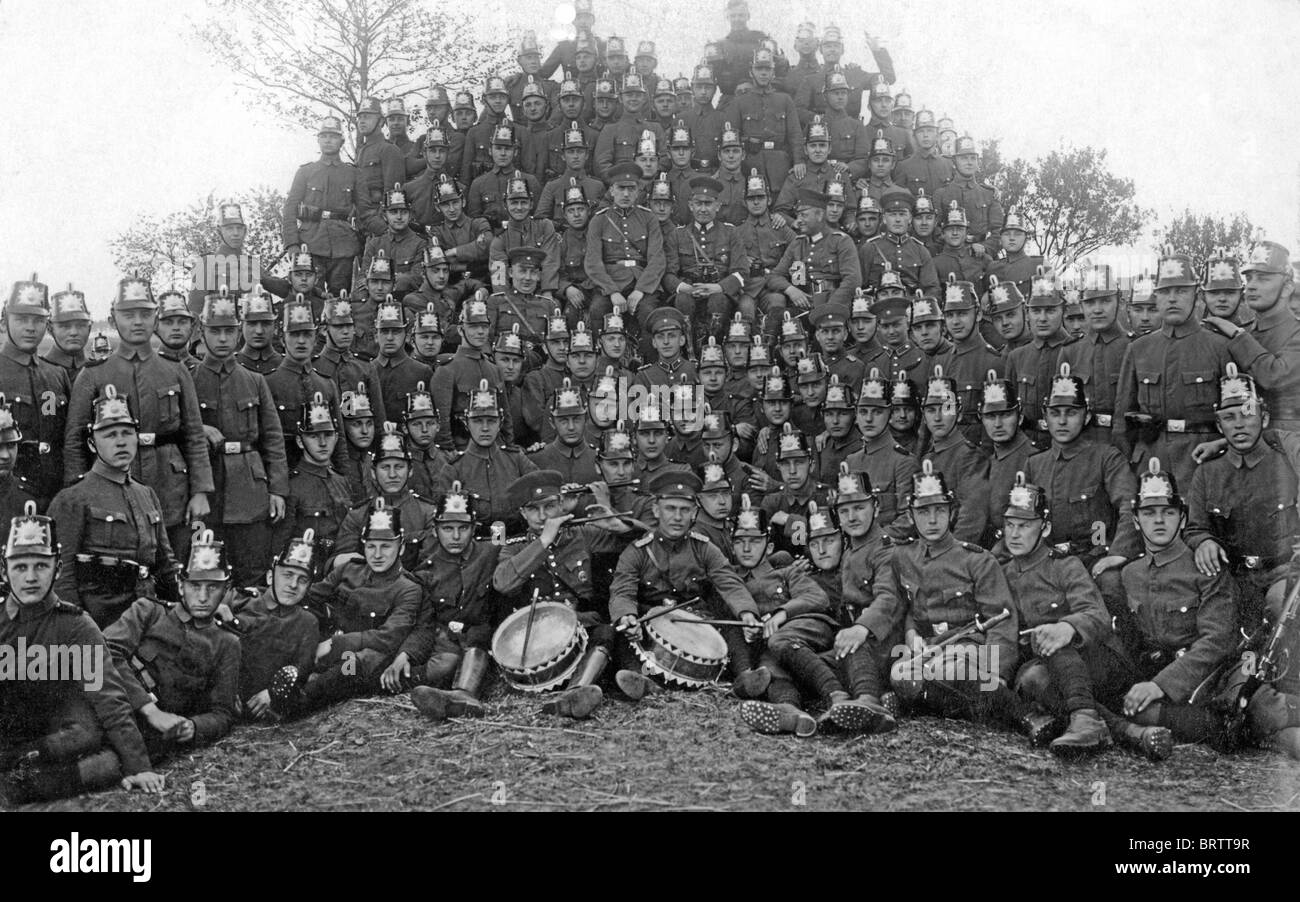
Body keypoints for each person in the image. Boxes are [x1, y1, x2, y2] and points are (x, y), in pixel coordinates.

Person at [0, 502, 164, 803]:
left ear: (58, 569)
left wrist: (139, 766)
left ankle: (19, 782)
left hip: (57, 729)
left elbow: (108, 698)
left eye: (41, 566)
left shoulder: (76, 625)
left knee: (102, 757)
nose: (31, 577)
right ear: (4, 570)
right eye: (20, 567)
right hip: (9, 722)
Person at [64, 277, 213, 560]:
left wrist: (200, 490)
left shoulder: (175, 370)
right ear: (113, 319)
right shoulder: (94, 374)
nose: (137, 322)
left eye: (145, 314)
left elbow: (194, 434)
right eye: (128, 315)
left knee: (173, 562)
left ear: (155, 318)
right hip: (111, 485)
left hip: (170, 486)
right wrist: (77, 491)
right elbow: (75, 440)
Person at [1106, 459, 1237, 751]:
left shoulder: (1205, 567)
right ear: (1136, 521)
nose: (1159, 521)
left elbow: (1217, 641)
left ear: (1183, 517)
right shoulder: (1130, 573)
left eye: (1168, 512)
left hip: (1198, 684)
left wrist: (1160, 685)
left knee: (1140, 711)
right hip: (1148, 674)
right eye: (1149, 513)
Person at [1000, 474, 1131, 756]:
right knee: (1032, 678)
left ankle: (1086, 719)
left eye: (1025, 526)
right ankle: (1122, 730)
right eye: (1010, 525)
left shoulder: (1065, 566)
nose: (1014, 534)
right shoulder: (1003, 573)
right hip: (1051, 670)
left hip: (1097, 661)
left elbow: (1098, 615)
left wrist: (1067, 628)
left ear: (1045, 528)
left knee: (1051, 639)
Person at [491, 470, 639, 718]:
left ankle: (575, 694)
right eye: (533, 509)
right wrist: (543, 541)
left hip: (580, 627)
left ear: (561, 505)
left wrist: (615, 523)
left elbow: (645, 543)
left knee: (606, 632)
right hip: (536, 638)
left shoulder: (581, 535)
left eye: (549, 506)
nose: (542, 516)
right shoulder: (514, 546)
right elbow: (502, 583)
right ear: (523, 513)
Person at [607, 469, 762, 699]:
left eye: (684, 510)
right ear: (656, 510)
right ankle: (643, 681)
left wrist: (747, 612)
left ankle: (744, 677)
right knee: (622, 634)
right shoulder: (637, 552)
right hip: (651, 624)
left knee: (730, 621)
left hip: (697, 622)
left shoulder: (704, 548)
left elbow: (729, 582)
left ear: (694, 513)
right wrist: (626, 616)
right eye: (670, 509)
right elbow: (622, 590)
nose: (678, 517)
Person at [887, 461, 1021, 725]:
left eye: (940, 510)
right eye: (923, 512)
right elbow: (906, 606)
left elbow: (1002, 620)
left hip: (969, 648)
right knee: (898, 672)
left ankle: (1012, 709)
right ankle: (965, 705)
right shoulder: (902, 557)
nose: (932, 520)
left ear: (951, 513)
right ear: (911, 516)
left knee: (950, 670)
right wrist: (911, 632)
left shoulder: (977, 560)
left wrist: (998, 674)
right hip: (928, 649)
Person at [103, 529, 241, 765]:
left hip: (150, 735)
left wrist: (193, 727)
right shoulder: (149, 611)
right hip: (110, 705)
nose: (203, 597)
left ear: (226, 590)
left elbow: (223, 713)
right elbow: (105, 652)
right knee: (74, 740)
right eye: (195, 585)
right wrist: (150, 710)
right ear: (180, 585)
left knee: (103, 767)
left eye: (213, 587)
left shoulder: (226, 643)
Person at [47, 386, 180, 628]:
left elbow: (166, 567)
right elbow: (61, 578)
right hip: (100, 622)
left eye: (127, 433)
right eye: (109, 435)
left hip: (147, 616)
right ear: (91, 444)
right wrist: (79, 629)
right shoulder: (72, 499)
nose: (121, 442)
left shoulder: (146, 495)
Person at [1024, 365, 1139, 628]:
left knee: (1112, 587)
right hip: (1051, 562)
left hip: (1094, 558)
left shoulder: (1105, 458)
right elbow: (1025, 520)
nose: (1063, 421)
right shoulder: (1035, 465)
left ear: (1086, 417)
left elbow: (1129, 506)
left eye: (1072, 413)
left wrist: (1119, 552)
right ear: (1045, 417)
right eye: (1055, 413)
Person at [1186, 364, 1298, 632]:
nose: (1239, 424)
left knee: (1280, 608)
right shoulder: (1207, 473)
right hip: (1233, 579)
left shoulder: (1288, 462)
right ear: (1219, 425)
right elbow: (1195, 528)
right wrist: (1203, 542)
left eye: (1248, 415)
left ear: (1264, 419)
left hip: (1284, 575)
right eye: (1229, 417)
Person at [284, 498, 424, 713]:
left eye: (386, 546)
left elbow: (389, 637)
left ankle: (299, 702)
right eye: (371, 546)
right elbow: (311, 596)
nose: (377, 555)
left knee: (351, 665)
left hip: (363, 657)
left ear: (401, 547)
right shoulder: (349, 569)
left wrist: (337, 643)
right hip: (329, 644)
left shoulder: (408, 588)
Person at [189, 289, 289, 586]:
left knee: (251, 570)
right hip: (207, 488)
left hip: (249, 488)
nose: (222, 338)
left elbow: (273, 439)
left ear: (238, 333)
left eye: (229, 331)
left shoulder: (254, 381)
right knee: (205, 570)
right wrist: (199, 429)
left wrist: (278, 490)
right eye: (215, 331)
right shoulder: (189, 378)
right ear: (202, 332)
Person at [1113, 250, 1232, 486]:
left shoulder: (1220, 346)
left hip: (1205, 461)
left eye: (1181, 291)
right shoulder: (1139, 349)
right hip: (1151, 463)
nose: (1173, 299)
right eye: (1165, 291)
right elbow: (1122, 420)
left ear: (1196, 296)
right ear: (1156, 297)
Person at [729, 495, 839, 737]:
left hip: (809, 628)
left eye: (754, 542)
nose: (746, 549)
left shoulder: (787, 572)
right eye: (739, 542)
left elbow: (817, 597)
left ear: (769, 547)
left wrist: (781, 614)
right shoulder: (731, 582)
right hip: (775, 648)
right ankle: (791, 711)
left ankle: (837, 697)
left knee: (779, 642)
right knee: (770, 668)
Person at [399, 483, 497, 720]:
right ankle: (446, 696)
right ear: (435, 530)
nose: (455, 536)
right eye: (447, 528)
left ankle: (463, 696)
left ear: (474, 528)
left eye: (463, 528)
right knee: (444, 663)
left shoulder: (491, 553)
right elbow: (423, 623)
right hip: (448, 645)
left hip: (488, 642)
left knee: (478, 637)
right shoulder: (426, 572)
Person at [226, 530, 322, 722]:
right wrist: (225, 690)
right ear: (270, 577)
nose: (293, 585)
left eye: (302, 580)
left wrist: (274, 693)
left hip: (263, 710)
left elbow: (301, 669)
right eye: (287, 575)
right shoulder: (237, 602)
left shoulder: (307, 622)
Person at [1210, 241, 1300, 432]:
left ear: (1287, 288)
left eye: (1263, 279)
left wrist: (1238, 335)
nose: (1250, 286)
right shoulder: (1244, 332)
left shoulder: (1240, 335)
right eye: (1249, 278)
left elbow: (1274, 377)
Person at [1, 274, 71, 507]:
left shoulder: (56, 374)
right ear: (4, 322)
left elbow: (70, 438)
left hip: (55, 494)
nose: (30, 328)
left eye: (38, 320)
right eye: (21, 319)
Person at [432, 379, 538, 531]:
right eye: (477, 421)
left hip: (516, 537)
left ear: (500, 422)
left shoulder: (516, 459)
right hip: (476, 541)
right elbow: (444, 520)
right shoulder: (454, 469)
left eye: (491, 421)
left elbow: (541, 494)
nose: (485, 428)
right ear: (466, 423)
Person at [264, 296, 348, 474]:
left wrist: (343, 477)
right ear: (282, 339)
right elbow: (266, 442)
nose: (301, 341)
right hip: (285, 475)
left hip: (323, 477)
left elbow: (339, 440)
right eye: (294, 334)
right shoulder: (268, 383)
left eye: (307, 334)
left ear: (316, 338)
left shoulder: (326, 384)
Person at [664, 175, 750, 345]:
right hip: (689, 290)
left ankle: (713, 348)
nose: (703, 209)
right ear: (691, 205)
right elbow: (668, 274)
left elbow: (742, 273)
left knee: (718, 300)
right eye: (698, 203)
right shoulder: (678, 235)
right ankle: (688, 349)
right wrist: (685, 288)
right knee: (682, 300)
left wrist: (719, 287)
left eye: (708, 203)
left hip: (719, 290)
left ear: (718, 206)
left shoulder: (731, 233)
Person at [282, 115, 360, 295]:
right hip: (310, 243)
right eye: (324, 136)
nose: (328, 140)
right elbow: (290, 208)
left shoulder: (352, 173)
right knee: (309, 297)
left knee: (340, 299)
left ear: (341, 141)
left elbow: (364, 210)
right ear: (318, 140)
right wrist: (292, 244)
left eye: (333, 136)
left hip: (343, 245)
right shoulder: (306, 172)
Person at [1056, 262, 1131, 445]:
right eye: (1090, 302)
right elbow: (1060, 409)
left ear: (1119, 302)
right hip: (1083, 445)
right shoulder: (1070, 351)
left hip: (1125, 443)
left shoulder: (1134, 347)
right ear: (1081, 306)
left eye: (1105, 301)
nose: (1097, 309)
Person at [274, 394, 352, 565]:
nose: (323, 443)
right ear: (300, 442)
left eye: (328, 435)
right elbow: (281, 545)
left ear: (336, 437)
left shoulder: (341, 481)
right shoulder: (291, 486)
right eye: (314, 436)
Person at [1005, 268, 1076, 449]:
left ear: (1063, 311)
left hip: (1067, 447)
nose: (1042, 318)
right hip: (1026, 447)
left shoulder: (1077, 351)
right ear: (1027, 313)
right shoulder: (1017, 357)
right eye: (1036, 311)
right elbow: (1009, 412)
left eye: (1050, 310)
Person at [917, 368, 988, 544]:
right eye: (931, 410)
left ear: (959, 413)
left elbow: (971, 518)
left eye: (946, 409)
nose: (937, 417)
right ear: (924, 416)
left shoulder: (970, 457)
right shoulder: (927, 458)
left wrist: (949, 553)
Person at [768, 187, 862, 312]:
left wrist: (830, 307)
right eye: (798, 215)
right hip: (803, 308)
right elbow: (774, 276)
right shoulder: (797, 243)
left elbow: (852, 281)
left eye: (804, 215)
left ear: (819, 215)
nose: (799, 220)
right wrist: (791, 290)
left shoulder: (841, 241)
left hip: (833, 308)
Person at [730, 47, 802, 194]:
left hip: (780, 163)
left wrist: (799, 161)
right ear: (751, 72)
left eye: (767, 69)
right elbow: (731, 136)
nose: (763, 73)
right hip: (750, 162)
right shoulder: (740, 102)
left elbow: (795, 134)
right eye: (759, 69)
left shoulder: (785, 100)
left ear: (773, 73)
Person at [313, 295, 389, 428]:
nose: (346, 332)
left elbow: (378, 415)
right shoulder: (314, 368)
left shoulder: (365, 367)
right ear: (324, 330)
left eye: (349, 326)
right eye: (339, 326)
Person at [935, 135, 1004, 253]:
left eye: (973, 158)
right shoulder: (941, 194)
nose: (969, 162)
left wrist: (984, 248)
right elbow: (935, 230)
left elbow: (999, 232)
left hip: (981, 255)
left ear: (978, 162)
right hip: (950, 254)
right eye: (964, 158)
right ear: (954, 162)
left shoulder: (988, 194)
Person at [359, 184, 427, 303]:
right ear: (385, 216)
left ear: (410, 215)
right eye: (394, 212)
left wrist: (383, 282)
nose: (399, 217)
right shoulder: (374, 244)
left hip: (406, 302)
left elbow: (417, 279)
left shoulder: (420, 244)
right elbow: (362, 279)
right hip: (375, 302)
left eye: (404, 212)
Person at [355, 97, 408, 238]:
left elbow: (392, 192)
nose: (362, 121)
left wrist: (379, 225)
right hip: (360, 220)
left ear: (381, 121)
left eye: (367, 117)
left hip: (379, 222)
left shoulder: (389, 150)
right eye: (360, 117)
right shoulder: (362, 151)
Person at [893, 110, 954, 201]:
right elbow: (901, 199)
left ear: (937, 135)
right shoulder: (904, 166)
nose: (925, 135)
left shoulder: (948, 164)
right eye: (921, 131)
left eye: (930, 131)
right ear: (914, 136)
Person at [43, 284, 94, 379]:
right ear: (50, 329)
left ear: (89, 328)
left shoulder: (98, 371)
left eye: (80, 325)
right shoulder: (38, 372)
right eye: (65, 326)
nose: (74, 332)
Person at [235, 290, 283, 376]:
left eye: (266, 323)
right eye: (252, 323)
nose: (259, 331)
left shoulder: (287, 365)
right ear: (241, 325)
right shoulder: (228, 366)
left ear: (275, 325)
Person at [155, 290, 199, 370]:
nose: (176, 328)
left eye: (182, 322)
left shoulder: (201, 370)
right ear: (156, 327)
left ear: (192, 326)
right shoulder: (144, 369)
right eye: (168, 323)